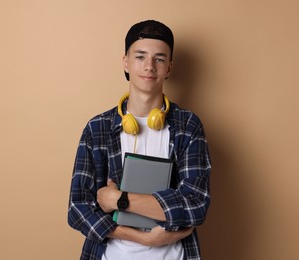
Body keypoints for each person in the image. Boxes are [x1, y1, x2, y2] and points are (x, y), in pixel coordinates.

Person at [68, 20, 211, 260]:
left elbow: (196, 205)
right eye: (140, 57)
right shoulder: (98, 128)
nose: (149, 67)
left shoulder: (188, 126)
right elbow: (78, 210)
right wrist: (143, 237)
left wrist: (118, 200)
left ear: (169, 67)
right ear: (125, 61)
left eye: (159, 59)